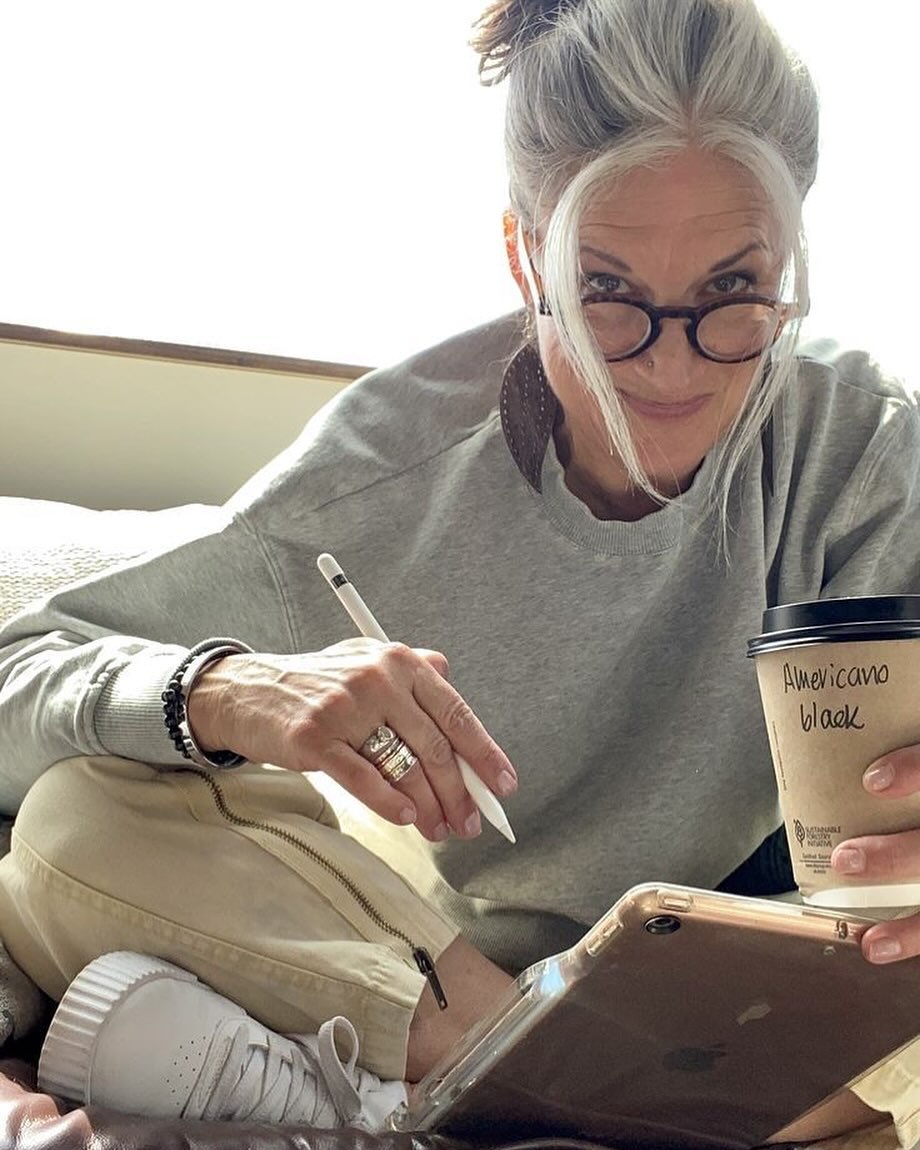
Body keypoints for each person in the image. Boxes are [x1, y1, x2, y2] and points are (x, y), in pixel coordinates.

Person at [0, 0, 918, 1141]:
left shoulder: (866, 447)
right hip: (464, 981)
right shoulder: (381, 472)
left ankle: (501, 1107)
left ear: (788, 266)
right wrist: (230, 692)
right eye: (606, 293)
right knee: (74, 821)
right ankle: (554, 1086)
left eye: (732, 293)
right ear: (520, 253)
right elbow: (17, 676)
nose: (672, 367)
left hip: (766, 983)